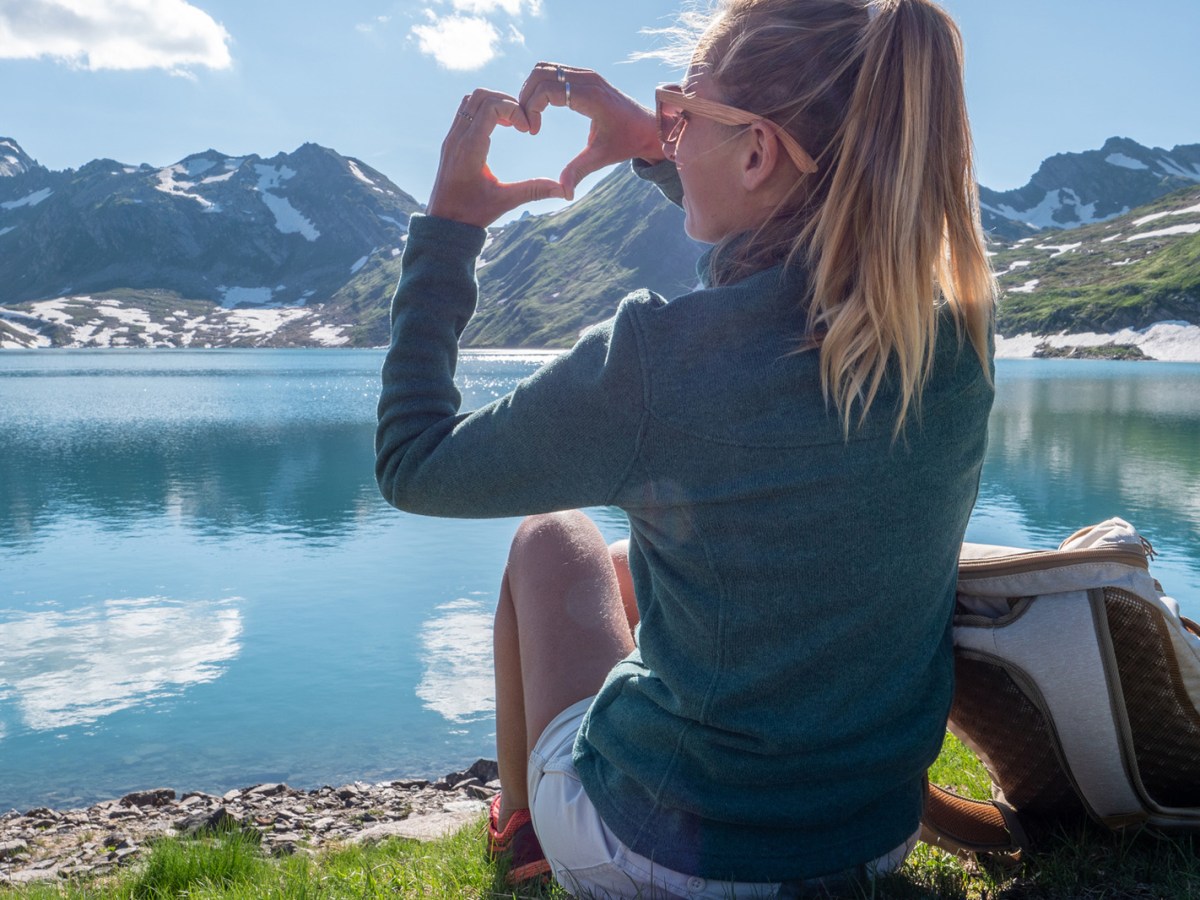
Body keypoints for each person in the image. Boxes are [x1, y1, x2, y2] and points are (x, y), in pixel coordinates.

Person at [375, 0, 995, 895]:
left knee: (552, 539)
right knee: (632, 563)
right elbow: (787, 261)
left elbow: (412, 463)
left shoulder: (659, 364)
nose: (669, 131)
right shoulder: (950, 345)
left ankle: (525, 836)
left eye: (682, 113)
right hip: (873, 835)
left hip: (674, 859)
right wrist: (652, 145)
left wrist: (448, 232)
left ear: (755, 152)